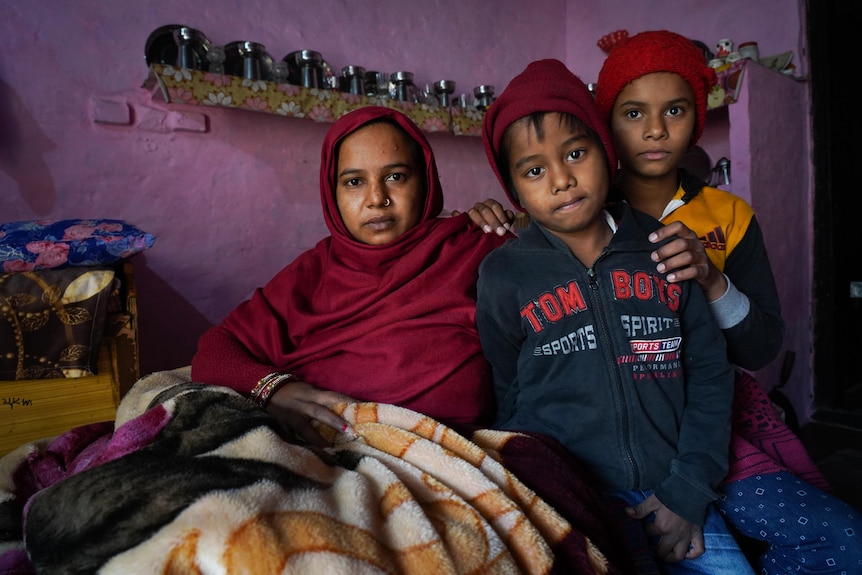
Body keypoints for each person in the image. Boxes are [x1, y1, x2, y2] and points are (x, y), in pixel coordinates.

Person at [190, 105, 637, 574]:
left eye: (396, 176)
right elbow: (215, 349)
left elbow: (575, 265)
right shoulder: (309, 275)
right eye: (354, 181)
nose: (377, 198)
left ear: (426, 181)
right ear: (332, 190)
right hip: (324, 452)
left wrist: (512, 222)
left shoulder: (474, 247)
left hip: (449, 452)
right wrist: (276, 388)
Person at [594, 29, 862, 574]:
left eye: (674, 109)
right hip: (623, 423)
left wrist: (712, 281)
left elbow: (761, 345)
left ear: (698, 115)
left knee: (843, 539)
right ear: (606, 121)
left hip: (715, 420)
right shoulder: (579, 209)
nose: (654, 129)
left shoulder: (728, 217)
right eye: (632, 112)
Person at [476, 58, 754, 574]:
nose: (561, 180)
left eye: (576, 153)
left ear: (606, 152)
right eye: (534, 170)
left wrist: (689, 492)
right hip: (569, 497)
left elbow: (711, 374)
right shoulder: (503, 273)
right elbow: (507, 388)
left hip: (670, 486)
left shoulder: (665, 248)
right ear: (513, 188)